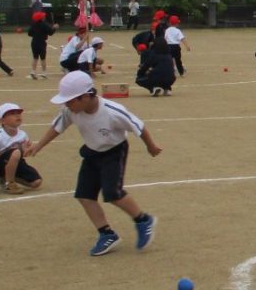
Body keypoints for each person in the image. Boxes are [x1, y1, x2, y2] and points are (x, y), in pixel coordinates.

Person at [28, 71, 163, 256]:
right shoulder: (70, 110)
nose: (66, 105)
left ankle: (143, 220)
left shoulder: (112, 111)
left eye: (69, 101)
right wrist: (38, 146)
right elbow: (57, 127)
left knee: (113, 194)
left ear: (85, 96)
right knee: (84, 195)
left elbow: (139, 127)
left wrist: (151, 146)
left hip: (114, 152)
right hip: (92, 152)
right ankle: (106, 234)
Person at [0, 103, 43, 195]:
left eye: (18, 113)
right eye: (12, 114)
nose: (17, 115)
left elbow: (24, 153)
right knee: (15, 152)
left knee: (36, 182)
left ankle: (5, 177)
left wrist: (27, 150)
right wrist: (11, 151)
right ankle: (9, 184)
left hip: (13, 162)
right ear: (2, 121)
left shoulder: (23, 135)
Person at [28, 12, 55, 80]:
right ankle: (44, 73)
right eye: (43, 16)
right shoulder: (44, 24)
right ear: (41, 18)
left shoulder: (33, 24)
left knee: (35, 57)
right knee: (43, 58)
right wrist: (54, 28)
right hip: (41, 42)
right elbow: (51, 33)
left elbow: (29, 33)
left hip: (34, 42)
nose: (44, 17)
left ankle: (33, 71)